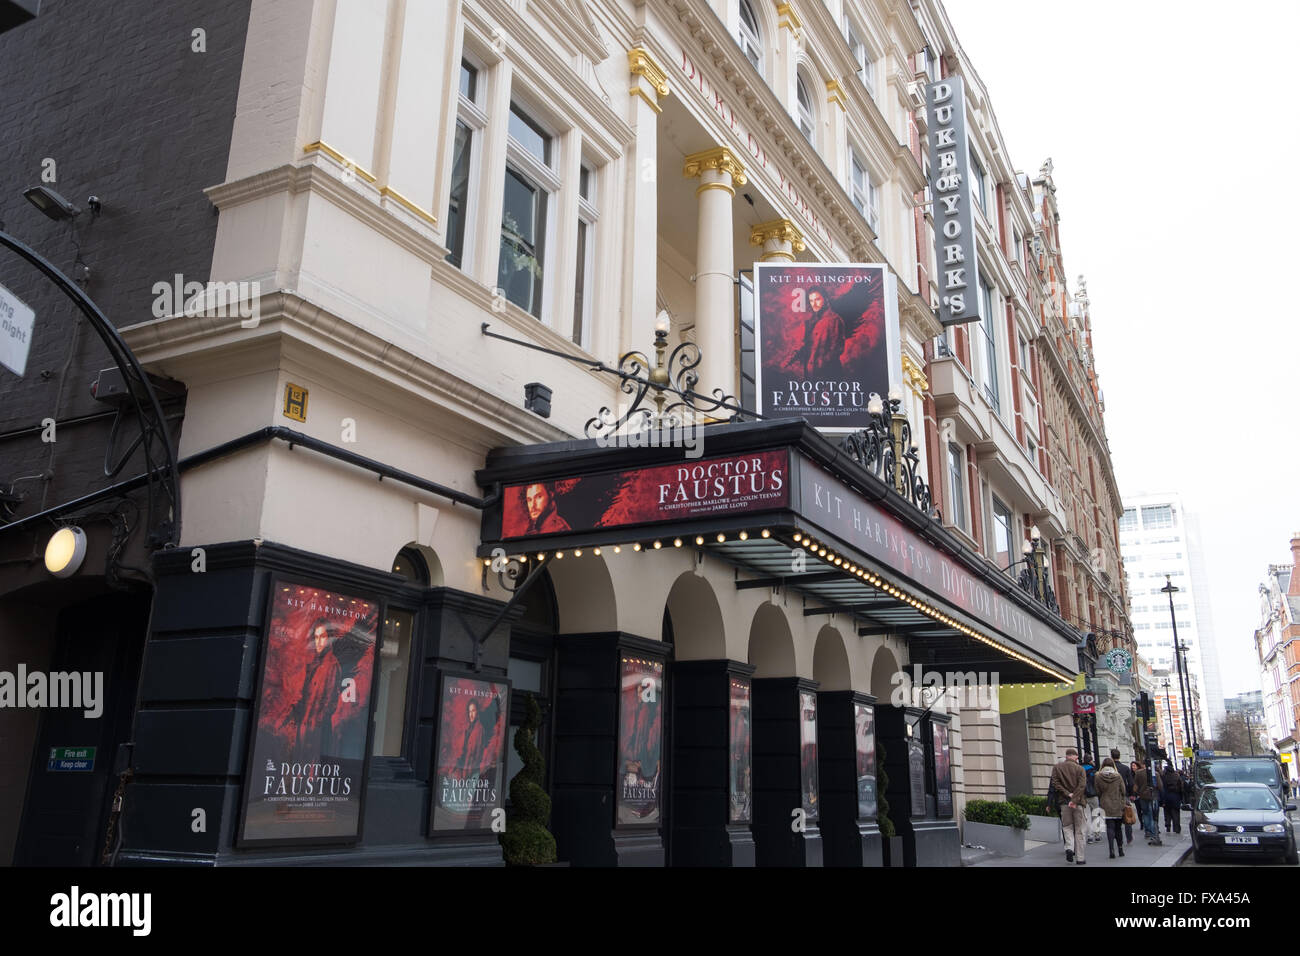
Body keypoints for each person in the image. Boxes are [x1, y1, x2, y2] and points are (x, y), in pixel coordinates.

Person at [278, 617, 343, 762]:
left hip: (316, 734)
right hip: (306, 731)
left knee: (310, 774)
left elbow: (329, 704)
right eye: (316, 637)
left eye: (323, 637)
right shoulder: (315, 664)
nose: (319, 642)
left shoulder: (331, 665)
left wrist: (313, 726)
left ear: (330, 639)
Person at [1050, 747, 1088, 864]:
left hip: (1064, 802)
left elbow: (1055, 783)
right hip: (1078, 803)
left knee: (1067, 827)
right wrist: (1075, 799)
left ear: (1066, 756)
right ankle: (1080, 858)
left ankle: (1069, 848)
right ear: (1075, 756)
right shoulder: (1080, 769)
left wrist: (1067, 794)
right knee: (1079, 829)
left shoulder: (1057, 768)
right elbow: (1082, 786)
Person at [1095, 757, 1127, 859]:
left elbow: (1097, 791)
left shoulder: (1098, 776)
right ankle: (1120, 849)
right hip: (1117, 803)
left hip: (1105, 804)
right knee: (1118, 828)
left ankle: (1111, 850)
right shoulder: (1118, 776)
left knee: (1109, 827)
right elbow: (1123, 790)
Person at [1134, 760, 1163, 845]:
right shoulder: (1155, 774)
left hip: (1143, 796)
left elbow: (1135, 786)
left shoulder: (1138, 773)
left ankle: (1147, 831)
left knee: (1145, 813)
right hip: (1153, 797)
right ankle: (1153, 831)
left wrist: (1137, 792)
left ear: (1143, 765)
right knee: (1152, 814)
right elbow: (1160, 786)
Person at [1112, 749, 1135, 845]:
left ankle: (1115, 836)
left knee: (1114, 817)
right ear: (1119, 756)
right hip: (1123, 795)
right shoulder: (1125, 768)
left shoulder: (1111, 769)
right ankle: (1129, 837)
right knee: (1127, 815)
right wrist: (1131, 794)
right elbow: (1130, 783)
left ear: (1111, 756)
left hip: (1112, 795)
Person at [1161, 764, 1184, 834]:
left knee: (1167, 812)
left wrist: (1162, 800)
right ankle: (1176, 828)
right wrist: (1181, 798)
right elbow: (1181, 788)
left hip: (1167, 797)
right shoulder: (1177, 777)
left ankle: (1168, 826)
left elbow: (1162, 789)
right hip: (1175, 797)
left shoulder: (1164, 777)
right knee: (1176, 813)